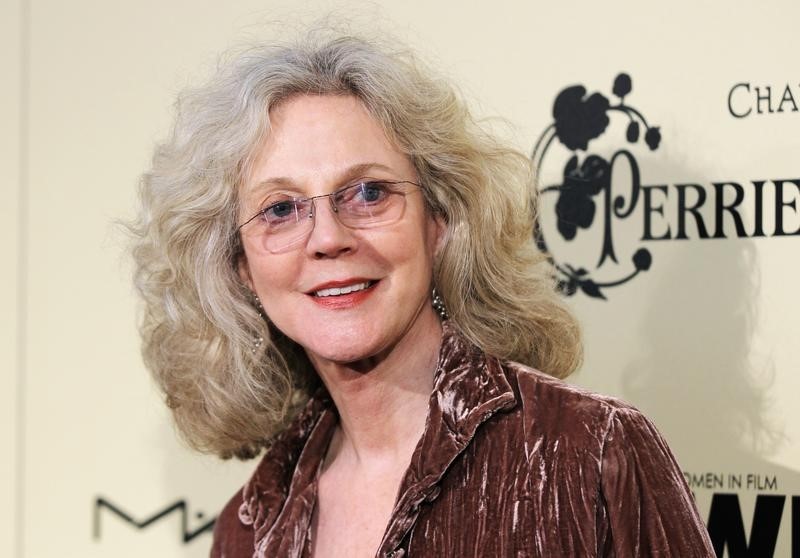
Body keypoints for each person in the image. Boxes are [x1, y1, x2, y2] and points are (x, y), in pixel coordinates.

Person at [131, 30, 715, 557]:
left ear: (439, 222)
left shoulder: (588, 455)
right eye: (280, 209)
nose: (329, 238)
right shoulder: (252, 526)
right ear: (239, 266)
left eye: (368, 192)